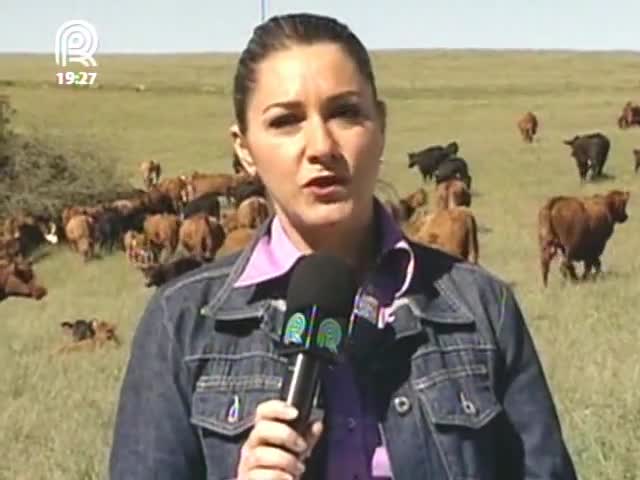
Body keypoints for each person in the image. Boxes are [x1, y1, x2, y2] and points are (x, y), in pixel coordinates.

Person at [108, 12, 578, 480]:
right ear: (244, 149)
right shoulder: (184, 323)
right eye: (286, 121)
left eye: (346, 113)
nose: (321, 145)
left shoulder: (481, 309)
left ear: (381, 125)